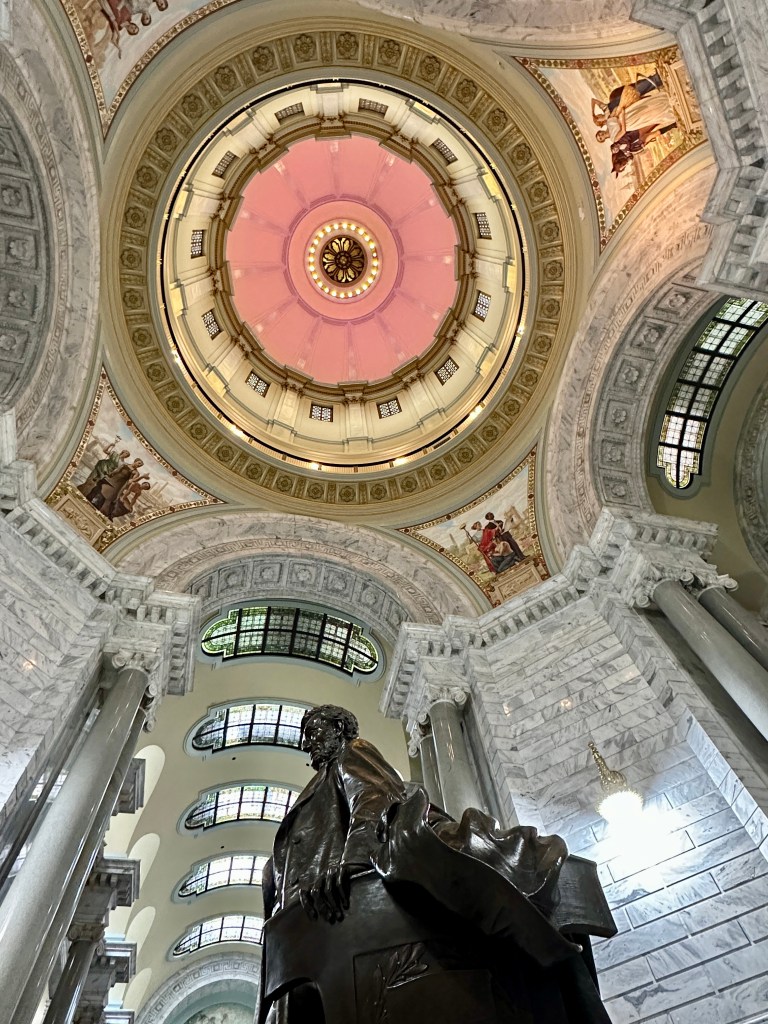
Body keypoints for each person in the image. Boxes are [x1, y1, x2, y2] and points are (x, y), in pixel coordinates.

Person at [260, 705, 616, 1024]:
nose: (307, 744)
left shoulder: (351, 752)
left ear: (338, 728)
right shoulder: (320, 781)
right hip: (306, 934)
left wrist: (353, 858)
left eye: (314, 732)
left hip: (329, 917)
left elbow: (372, 795)